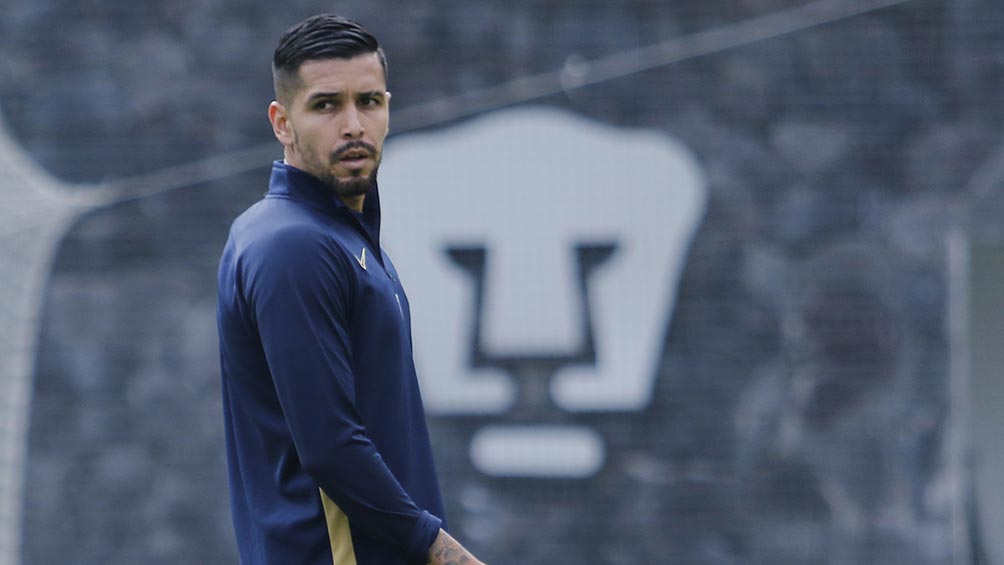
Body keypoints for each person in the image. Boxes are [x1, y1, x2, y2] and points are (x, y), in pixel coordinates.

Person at [217, 14, 485, 565]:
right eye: (325, 105)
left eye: (368, 102)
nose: (354, 125)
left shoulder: (339, 238)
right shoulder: (291, 245)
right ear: (282, 122)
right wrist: (442, 553)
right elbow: (331, 447)